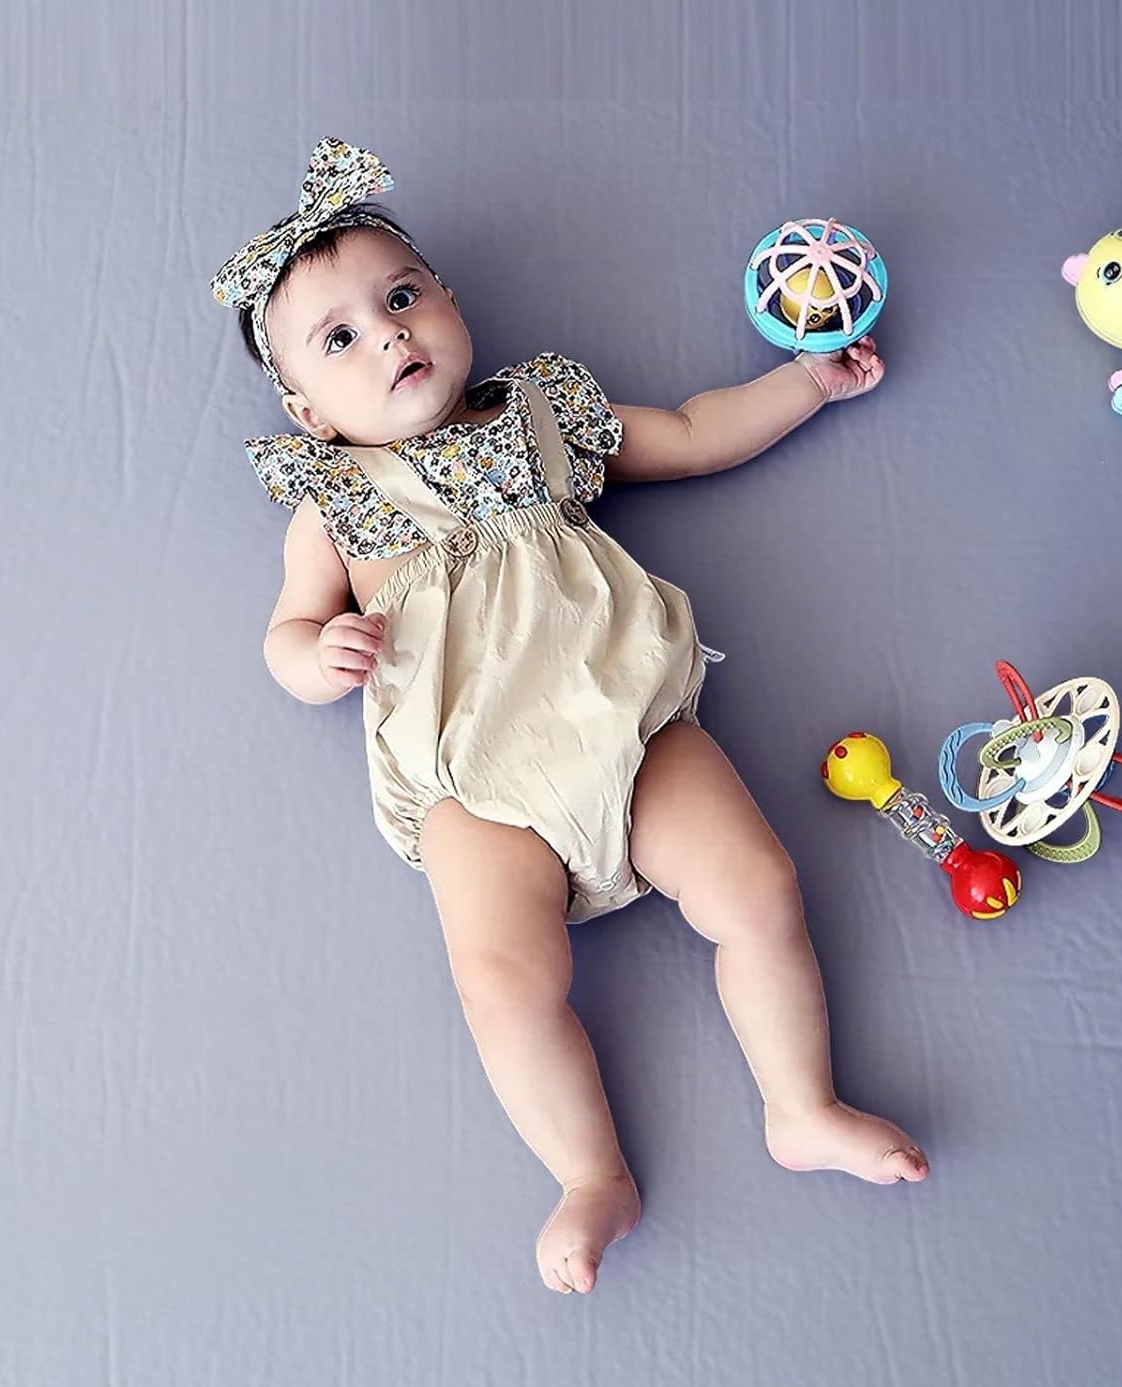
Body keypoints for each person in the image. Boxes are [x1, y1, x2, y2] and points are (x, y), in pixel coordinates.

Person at [210, 138, 927, 1297]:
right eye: (339, 339)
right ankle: (592, 1174)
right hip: (474, 783)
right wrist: (315, 655)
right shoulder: (333, 504)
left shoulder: (542, 414)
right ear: (307, 409)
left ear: (449, 302)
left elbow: (690, 433)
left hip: (629, 726)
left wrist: (805, 383)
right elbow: (286, 631)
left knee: (758, 886)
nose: (388, 335)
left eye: (402, 297)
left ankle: (803, 1106)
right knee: (503, 984)